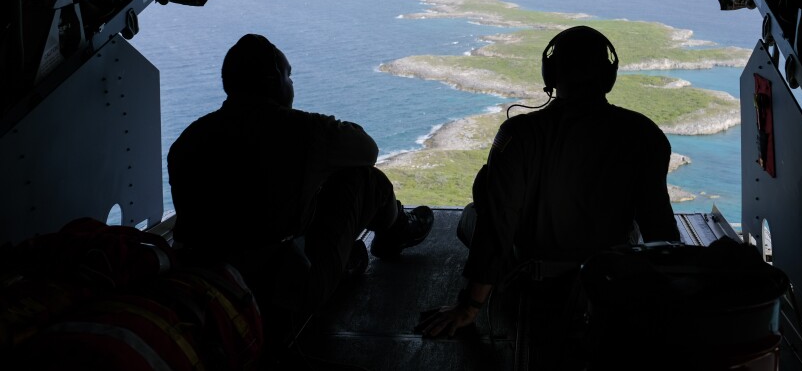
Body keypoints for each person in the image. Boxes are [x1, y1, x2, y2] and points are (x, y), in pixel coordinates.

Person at [167, 33, 434, 365]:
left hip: (207, 284)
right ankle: (397, 232)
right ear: (274, 79)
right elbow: (367, 150)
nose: (292, 84)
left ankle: (347, 258)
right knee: (364, 179)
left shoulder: (188, 139)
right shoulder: (303, 131)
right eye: (289, 75)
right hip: (281, 295)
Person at [416, 25, 680, 346]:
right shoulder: (645, 134)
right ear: (608, 78)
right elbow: (660, 229)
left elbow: (497, 224)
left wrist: (469, 306)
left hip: (536, 279)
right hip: (609, 278)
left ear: (551, 75)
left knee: (471, 216)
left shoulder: (517, 133)